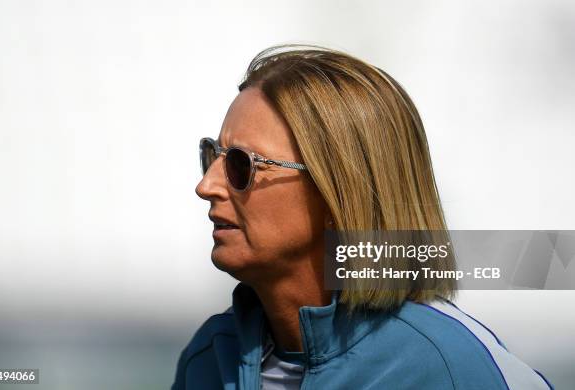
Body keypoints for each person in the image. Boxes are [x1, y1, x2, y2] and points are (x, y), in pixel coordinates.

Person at [172, 44, 554, 389]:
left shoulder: (450, 368)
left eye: (241, 165)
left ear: (337, 193)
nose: (207, 186)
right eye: (212, 156)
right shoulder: (208, 360)